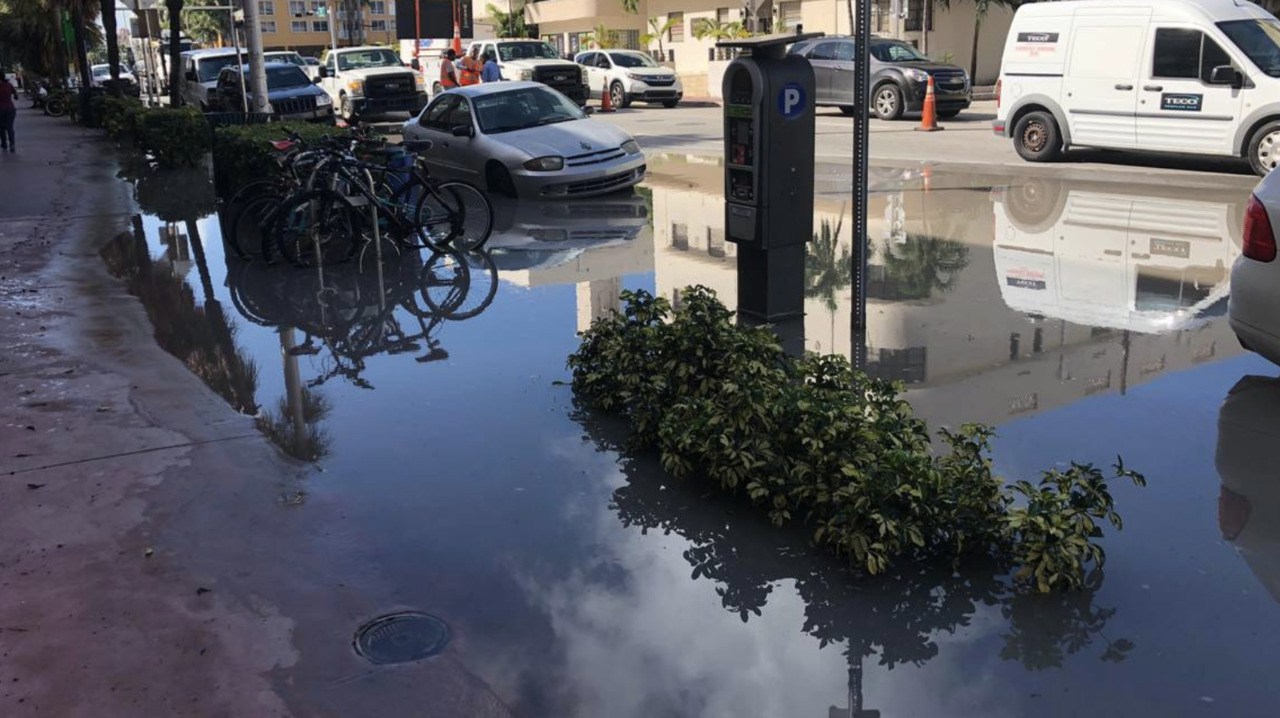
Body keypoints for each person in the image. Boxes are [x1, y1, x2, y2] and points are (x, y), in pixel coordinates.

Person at [0, 71, 16, 153]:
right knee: (10, 127)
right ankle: (12, 144)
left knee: (1, 128)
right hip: (10, 109)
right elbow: (16, 96)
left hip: (1, 109)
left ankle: (4, 144)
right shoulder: (9, 85)